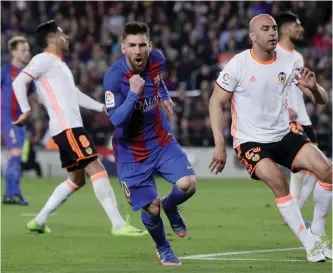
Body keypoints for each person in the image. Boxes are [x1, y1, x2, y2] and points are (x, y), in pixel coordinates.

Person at [209, 14, 332, 262]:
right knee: (278, 181)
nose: (272, 33)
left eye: (274, 28)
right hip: (250, 141)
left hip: (283, 135)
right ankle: (310, 244)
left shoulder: (289, 62)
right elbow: (216, 101)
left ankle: (318, 231)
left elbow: (321, 100)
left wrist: (314, 87)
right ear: (253, 36)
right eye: (265, 29)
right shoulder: (238, 64)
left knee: (327, 170)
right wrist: (219, 145)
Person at [12, 20, 147, 237]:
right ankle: (118, 224)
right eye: (61, 33)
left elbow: (75, 95)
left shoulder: (59, 65)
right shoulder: (43, 59)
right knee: (97, 168)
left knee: (77, 179)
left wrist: (102, 108)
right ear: (51, 39)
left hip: (66, 128)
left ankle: (39, 220)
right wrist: (26, 110)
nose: (65, 36)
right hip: (69, 128)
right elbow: (19, 82)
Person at [103, 21, 196, 266]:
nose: (138, 51)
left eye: (142, 45)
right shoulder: (113, 78)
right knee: (151, 208)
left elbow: (158, 78)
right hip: (131, 152)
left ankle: (171, 206)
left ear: (149, 45)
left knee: (188, 184)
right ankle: (164, 248)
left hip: (160, 139)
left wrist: (163, 95)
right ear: (123, 48)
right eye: (132, 45)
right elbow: (116, 119)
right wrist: (133, 93)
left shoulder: (157, 59)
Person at [276, 12, 318, 224]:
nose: (301, 30)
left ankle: (296, 211)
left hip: (303, 117)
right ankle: (294, 214)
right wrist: (285, 109)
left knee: (315, 169)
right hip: (288, 118)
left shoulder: (297, 56)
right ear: (285, 29)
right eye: (297, 26)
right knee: (301, 166)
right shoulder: (274, 53)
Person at [1, 36, 35, 205]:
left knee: (17, 157)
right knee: (15, 154)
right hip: (7, 118)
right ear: (13, 52)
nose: (27, 53)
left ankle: (13, 193)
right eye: (23, 50)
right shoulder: (5, 71)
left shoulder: (29, 74)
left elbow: (35, 96)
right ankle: (10, 194)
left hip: (21, 120)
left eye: (27, 49)